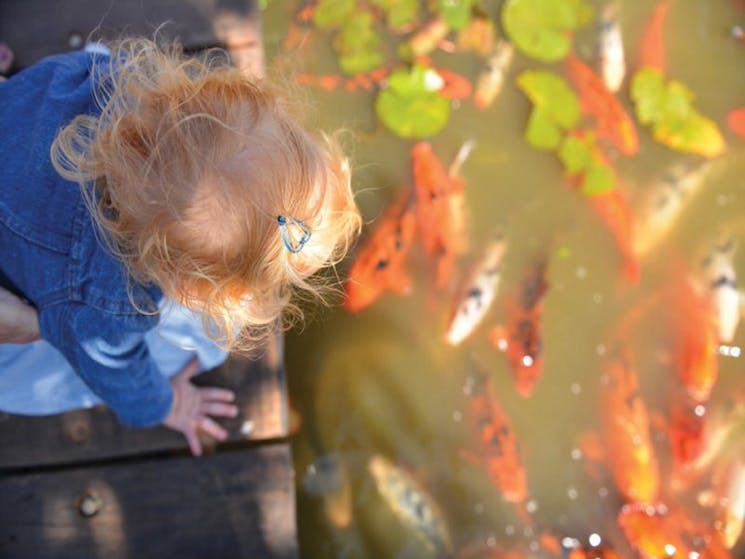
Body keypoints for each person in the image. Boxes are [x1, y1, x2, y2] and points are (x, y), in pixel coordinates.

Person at [0, 38, 361, 455]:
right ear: (190, 289)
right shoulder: (108, 301)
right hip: (31, 281)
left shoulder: (100, 78)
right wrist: (167, 404)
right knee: (204, 344)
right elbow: (113, 368)